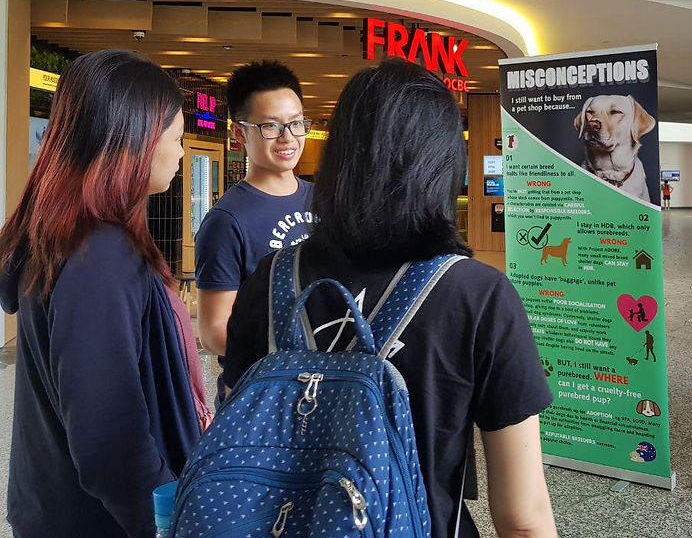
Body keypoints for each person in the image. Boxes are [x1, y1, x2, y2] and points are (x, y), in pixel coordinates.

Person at [223, 59, 557, 538]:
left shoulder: (271, 278)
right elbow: (523, 519)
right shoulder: (477, 297)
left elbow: (240, 439)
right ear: (442, 164)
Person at [0, 50, 210, 538]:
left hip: (59, 508)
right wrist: (167, 524)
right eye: (176, 138)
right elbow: (110, 442)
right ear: (132, 139)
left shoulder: (68, 238)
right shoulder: (99, 254)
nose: (181, 153)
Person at [195, 60, 314, 357]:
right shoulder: (226, 221)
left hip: (329, 380)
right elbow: (213, 331)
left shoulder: (326, 201)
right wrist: (290, 357)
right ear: (238, 133)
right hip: (268, 389)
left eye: (296, 123)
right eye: (270, 126)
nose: (288, 137)